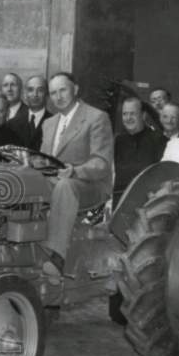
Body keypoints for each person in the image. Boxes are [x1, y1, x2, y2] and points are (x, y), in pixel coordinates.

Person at [31, 73, 114, 279]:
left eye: (63, 90)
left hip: (89, 186)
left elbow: (102, 163)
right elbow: (45, 160)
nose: (58, 97)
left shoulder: (97, 117)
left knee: (65, 185)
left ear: (75, 89)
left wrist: (75, 170)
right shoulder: (49, 123)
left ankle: (57, 256)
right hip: (55, 182)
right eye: (53, 93)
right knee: (24, 185)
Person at [113, 96, 166, 203]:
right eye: (125, 114)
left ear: (143, 115)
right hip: (120, 202)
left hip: (148, 202)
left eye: (132, 113)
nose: (128, 118)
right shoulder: (118, 141)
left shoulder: (159, 140)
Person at [8, 74, 49, 150]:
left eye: (40, 90)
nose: (35, 94)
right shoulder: (12, 124)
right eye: (30, 90)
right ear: (25, 94)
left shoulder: (54, 122)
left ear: (47, 94)